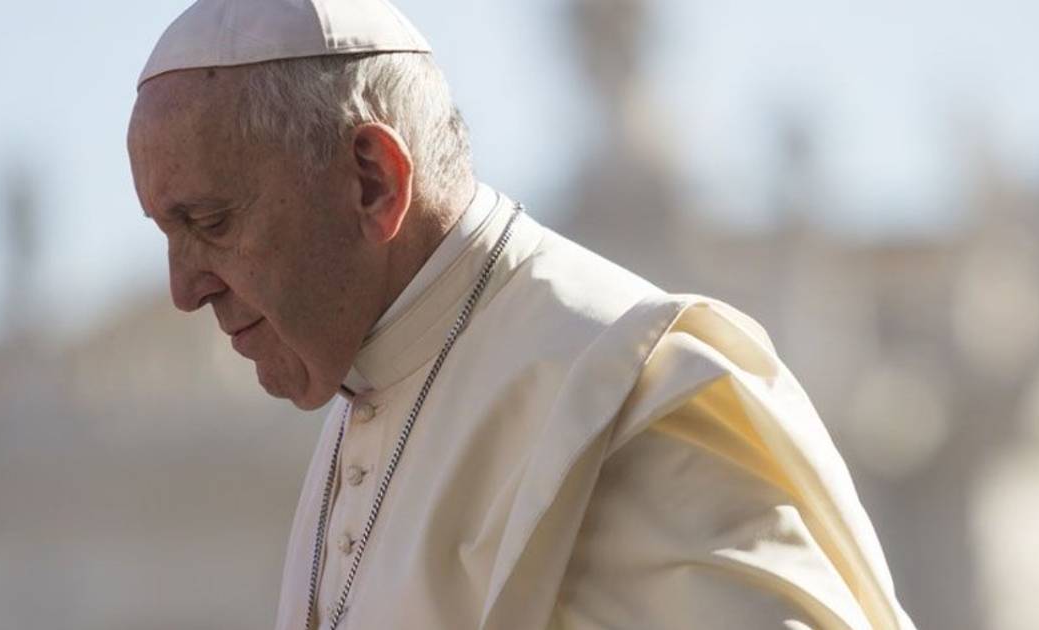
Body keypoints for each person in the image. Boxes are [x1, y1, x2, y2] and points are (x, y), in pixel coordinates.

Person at [127, 1, 915, 628]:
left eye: (211, 222)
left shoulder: (633, 394)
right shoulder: (358, 405)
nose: (184, 289)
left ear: (373, 181)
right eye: (167, 234)